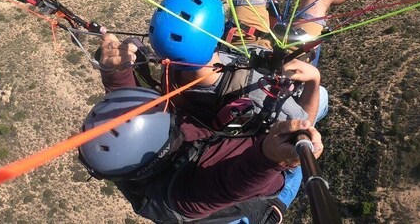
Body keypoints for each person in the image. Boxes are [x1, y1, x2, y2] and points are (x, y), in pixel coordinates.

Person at [99, 0, 378, 131]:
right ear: (216, 31)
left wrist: (130, 56)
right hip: (282, 63)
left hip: (245, 41)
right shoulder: (252, 94)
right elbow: (305, 126)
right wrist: (314, 81)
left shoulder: (172, 72)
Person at [78, 86, 323, 224]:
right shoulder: (187, 196)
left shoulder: (126, 160)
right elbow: (232, 182)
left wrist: (116, 72)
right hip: (252, 204)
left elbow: (128, 116)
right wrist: (268, 158)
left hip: (220, 177)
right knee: (319, 99)